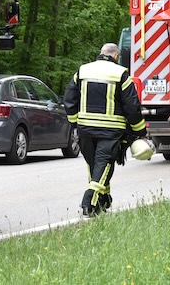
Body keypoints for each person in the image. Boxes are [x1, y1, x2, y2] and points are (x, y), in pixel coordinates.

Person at [63, 43, 147, 217]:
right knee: (104, 164)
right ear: (115, 56)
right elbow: (132, 106)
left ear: (101, 53)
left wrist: (74, 123)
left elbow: (69, 99)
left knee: (95, 166)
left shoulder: (82, 71)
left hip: (85, 129)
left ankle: (103, 200)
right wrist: (139, 131)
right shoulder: (121, 74)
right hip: (111, 130)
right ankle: (89, 201)